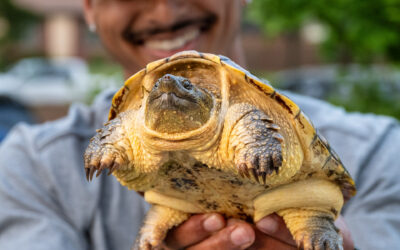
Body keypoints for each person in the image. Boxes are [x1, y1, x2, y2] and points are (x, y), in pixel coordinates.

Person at [0, 0, 399, 249]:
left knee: (310, 216)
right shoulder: (28, 167)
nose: (164, 10)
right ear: (88, 7)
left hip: (294, 200)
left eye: (185, 86)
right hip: (175, 201)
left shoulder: (382, 148)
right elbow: (121, 127)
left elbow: (245, 119)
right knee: (156, 220)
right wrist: (109, 142)